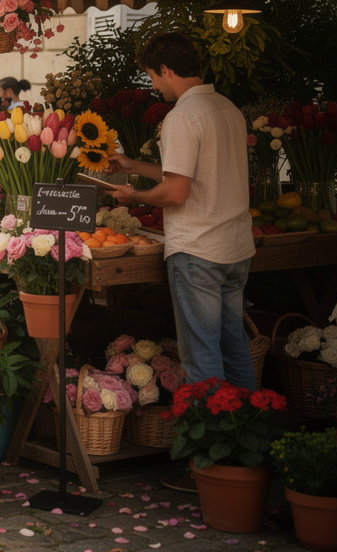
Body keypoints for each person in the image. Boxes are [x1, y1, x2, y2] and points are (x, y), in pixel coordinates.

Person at [105, 33, 256, 391]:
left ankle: (210, 439)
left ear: (166, 69)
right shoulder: (228, 109)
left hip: (199, 250)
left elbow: (176, 191)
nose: (155, 85)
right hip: (235, 248)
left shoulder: (182, 117)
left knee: (201, 354)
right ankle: (249, 427)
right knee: (235, 346)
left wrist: (134, 196)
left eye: (154, 76)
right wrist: (134, 166)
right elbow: (191, 174)